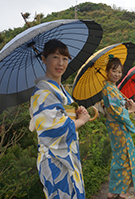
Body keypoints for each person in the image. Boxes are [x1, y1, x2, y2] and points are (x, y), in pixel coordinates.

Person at [28, 39, 90, 199]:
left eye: (65, 58)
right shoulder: (42, 93)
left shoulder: (59, 89)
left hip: (69, 153)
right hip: (54, 159)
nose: (60, 63)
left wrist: (77, 112)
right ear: (44, 59)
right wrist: (81, 121)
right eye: (55, 57)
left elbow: (64, 117)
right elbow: (55, 129)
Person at [102, 56, 135, 199]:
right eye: (114, 71)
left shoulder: (113, 88)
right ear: (107, 71)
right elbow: (114, 110)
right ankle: (118, 191)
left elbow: (118, 106)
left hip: (118, 127)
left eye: (119, 72)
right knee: (122, 157)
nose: (117, 74)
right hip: (117, 127)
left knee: (122, 156)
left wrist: (127, 103)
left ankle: (115, 190)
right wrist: (130, 111)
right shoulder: (108, 89)